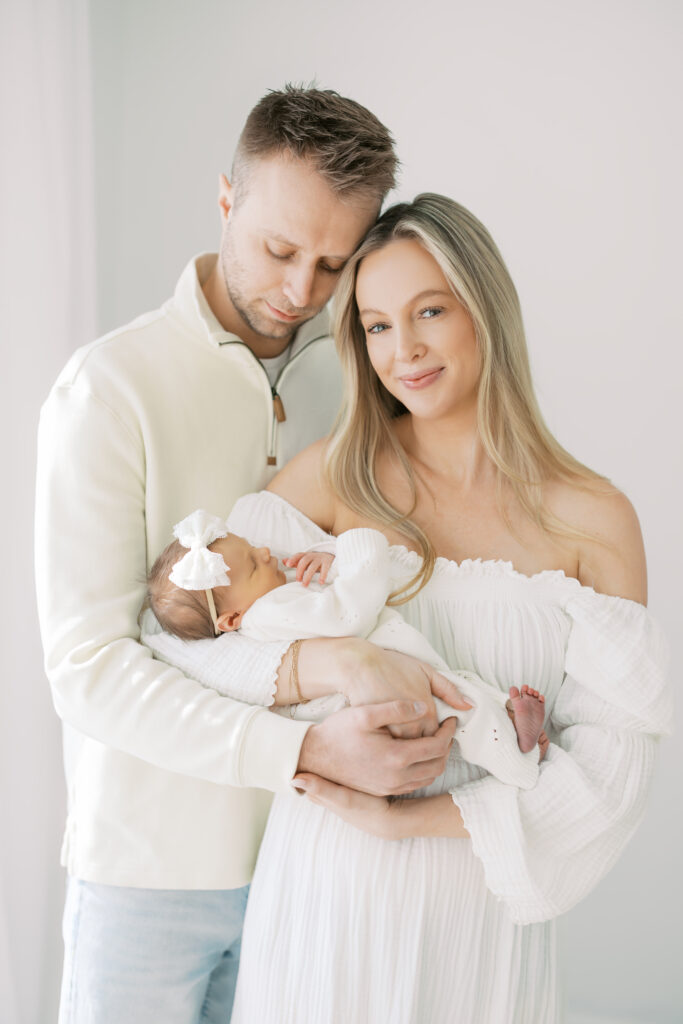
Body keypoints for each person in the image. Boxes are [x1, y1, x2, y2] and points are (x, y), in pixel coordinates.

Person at [34, 88, 470, 1024]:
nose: (302, 290)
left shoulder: (361, 382)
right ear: (226, 200)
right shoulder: (109, 388)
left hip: (318, 866)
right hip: (148, 874)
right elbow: (89, 668)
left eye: (332, 263)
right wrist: (301, 748)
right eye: (279, 250)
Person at [182, 194, 669, 1023]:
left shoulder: (593, 519)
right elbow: (192, 638)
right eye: (375, 325)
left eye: (429, 312)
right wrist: (333, 664)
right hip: (327, 896)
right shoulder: (331, 478)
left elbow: (609, 781)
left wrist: (406, 821)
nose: (401, 350)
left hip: (479, 919)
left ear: (484, 309)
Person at [142, 503, 547, 787]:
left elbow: (319, 599)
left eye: (251, 546)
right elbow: (347, 614)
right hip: (374, 686)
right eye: (252, 563)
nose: (265, 553)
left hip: (382, 671)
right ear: (231, 620)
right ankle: (518, 759)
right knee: (458, 711)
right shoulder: (266, 612)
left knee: (458, 695)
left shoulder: (267, 600)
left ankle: (512, 722)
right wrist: (358, 547)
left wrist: (326, 557)